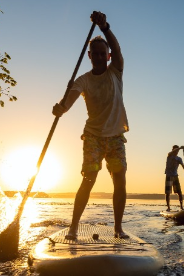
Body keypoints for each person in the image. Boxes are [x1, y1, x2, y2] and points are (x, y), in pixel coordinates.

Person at [52, 11, 129, 239]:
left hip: (115, 136)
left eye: (102, 53)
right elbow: (67, 103)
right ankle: (74, 228)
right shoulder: (83, 80)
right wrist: (60, 108)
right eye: (94, 53)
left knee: (120, 178)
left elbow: (117, 48)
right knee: (89, 179)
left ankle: (118, 229)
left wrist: (104, 27)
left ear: (108, 56)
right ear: (89, 55)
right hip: (93, 136)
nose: (98, 56)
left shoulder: (116, 71)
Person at [164, 145, 184, 211]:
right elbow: (170, 152)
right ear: (173, 150)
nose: (177, 151)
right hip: (169, 175)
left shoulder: (179, 159)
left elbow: (183, 166)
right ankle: (168, 207)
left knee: (179, 192)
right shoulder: (169, 156)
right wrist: (179, 148)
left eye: (177, 150)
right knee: (168, 193)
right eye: (175, 150)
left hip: (175, 176)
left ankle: (181, 207)